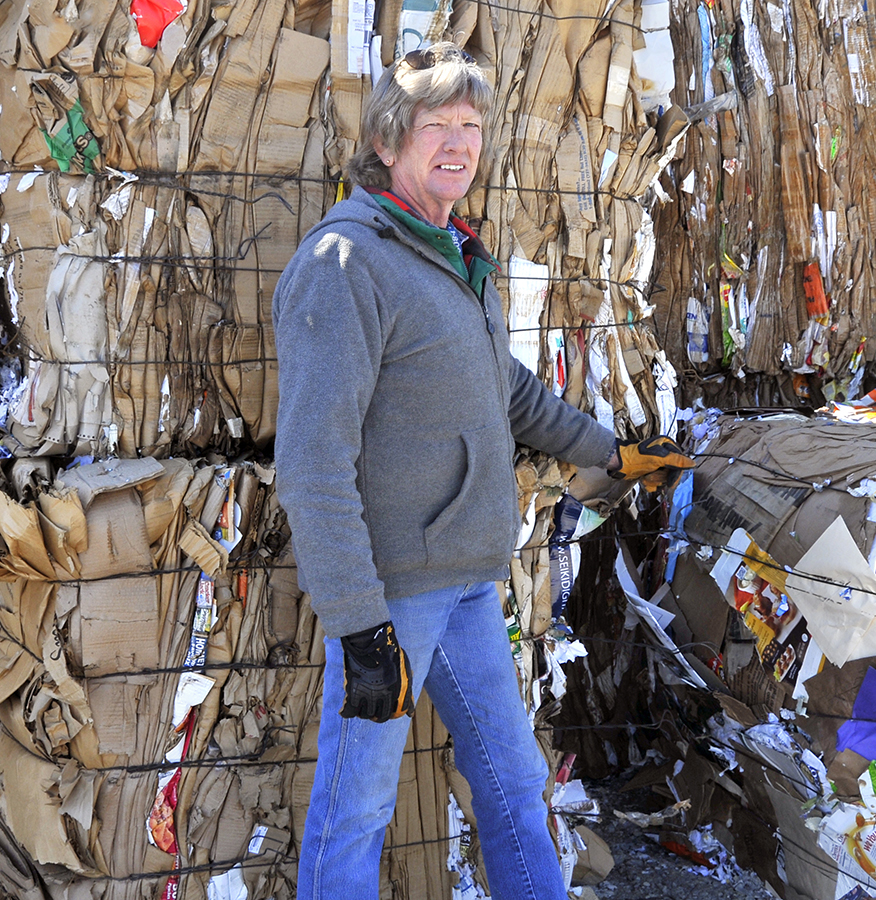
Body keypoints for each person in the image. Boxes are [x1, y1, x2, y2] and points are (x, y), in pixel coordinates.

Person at [272, 43, 693, 899]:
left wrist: (609, 453)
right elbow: (312, 462)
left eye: (471, 126)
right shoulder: (345, 265)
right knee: (355, 811)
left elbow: (504, 389)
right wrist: (359, 627)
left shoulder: (452, 254)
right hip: (390, 594)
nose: (459, 143)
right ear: (388, 143)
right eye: (437, 127)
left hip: (466, 583)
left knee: (512, 786)